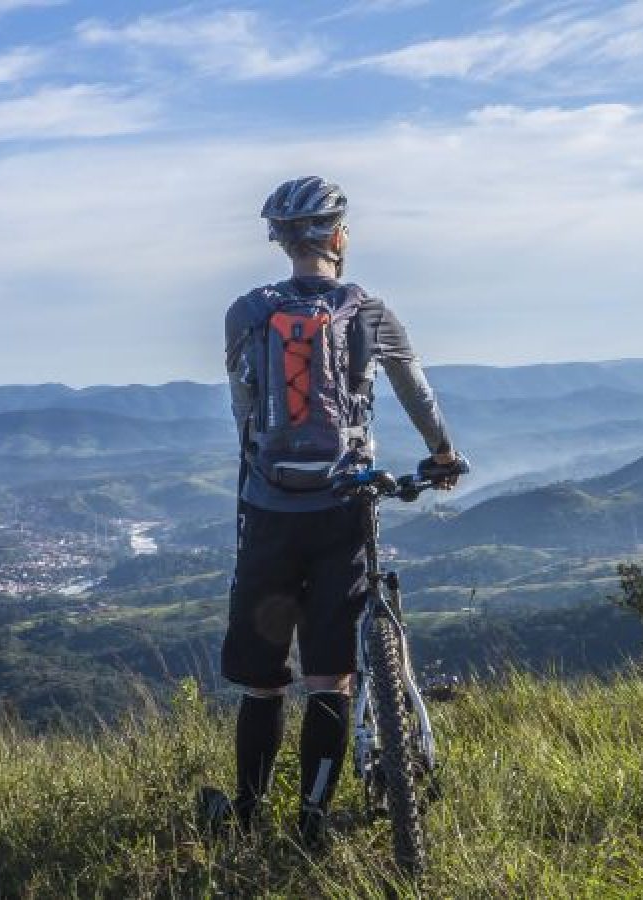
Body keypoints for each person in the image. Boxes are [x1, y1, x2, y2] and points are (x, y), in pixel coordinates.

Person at [213, 175, 463, 851]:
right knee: (331, 674)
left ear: (282, 240)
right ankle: (313, 819)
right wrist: (442, 454)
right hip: (343, 508)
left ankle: (244, 813)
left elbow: (243, 412)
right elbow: (416, 391)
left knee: (263, 683)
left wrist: (261, 478)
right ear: (338, 236)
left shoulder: (245, 313)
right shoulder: (369, 310)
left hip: (268, 509)